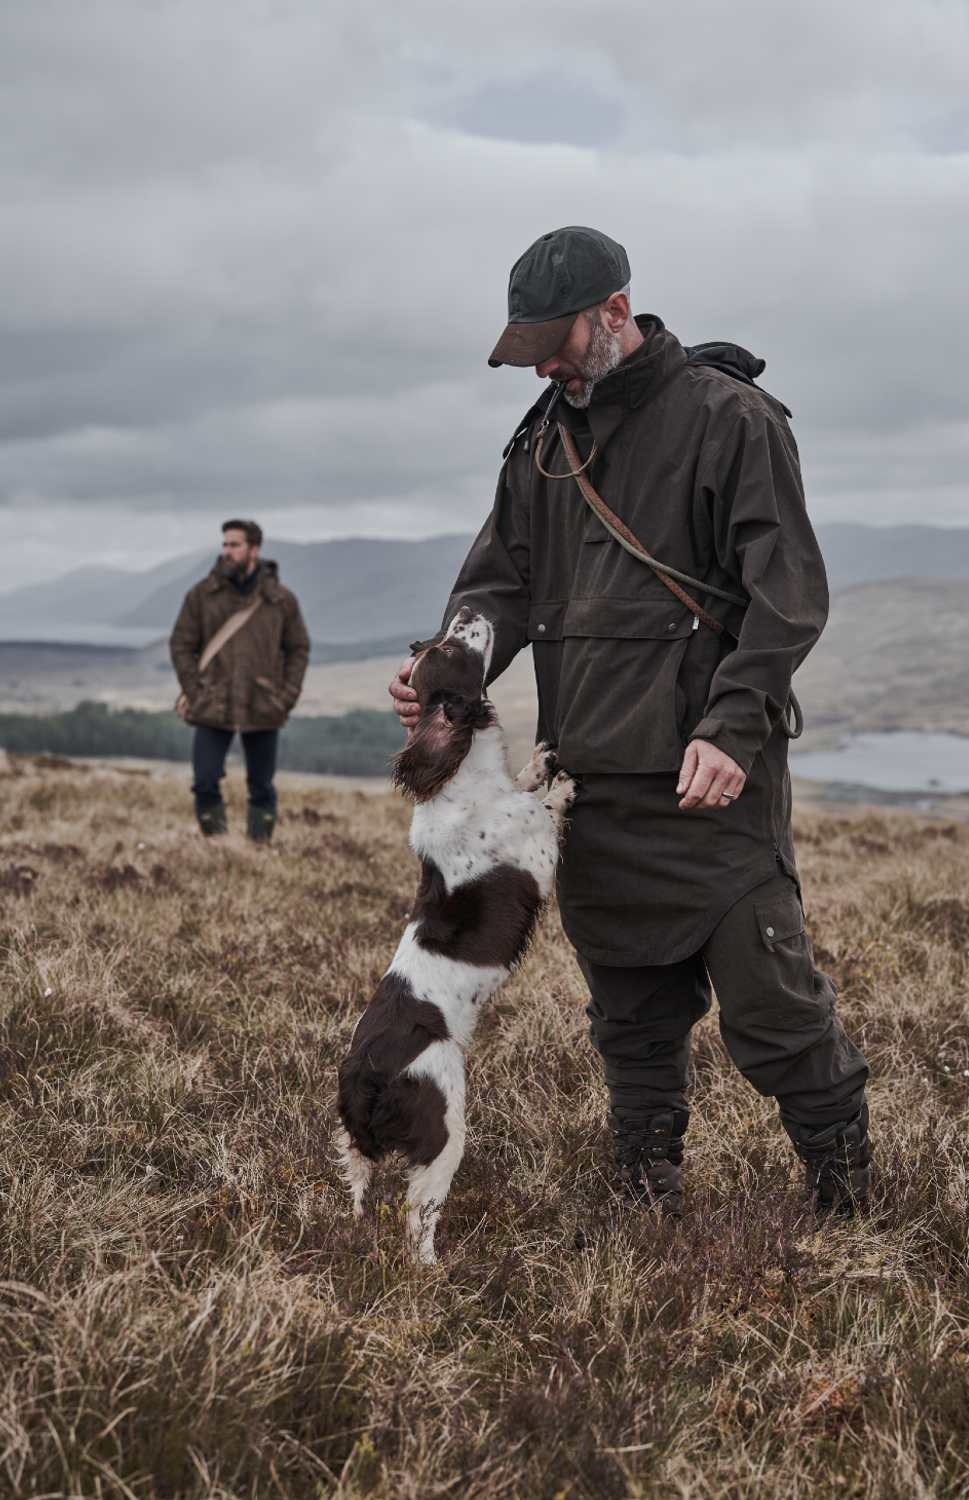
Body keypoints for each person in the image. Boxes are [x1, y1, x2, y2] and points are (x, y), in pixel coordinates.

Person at [390, 226, 871, 1216]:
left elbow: (786, 597)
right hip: (589, 783)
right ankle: (643, 1196)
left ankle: (847, 1195)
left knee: (775, 1011)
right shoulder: (542, 442)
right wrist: (447, 676)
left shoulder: (729, 420)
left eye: (558, 343)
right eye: (532, 353)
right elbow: (499, 585)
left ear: (615, 311)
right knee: (631, 1018)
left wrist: (732, 728)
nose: (551, 368)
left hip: (711, 786)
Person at [169, 519, 310, 842]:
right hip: (212, 703)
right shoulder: (202, 596)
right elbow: (181, 645)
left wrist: (285, 696)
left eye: (234, 545)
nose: (226, 551)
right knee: (204, 780)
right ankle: (217, 847)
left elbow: (298, 648)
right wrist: (195, 691)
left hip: (263, 704)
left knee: (261, 786)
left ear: (254, 549)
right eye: (225, 544)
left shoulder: (281, 600)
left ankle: (258, 850)